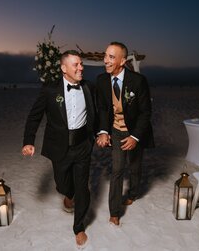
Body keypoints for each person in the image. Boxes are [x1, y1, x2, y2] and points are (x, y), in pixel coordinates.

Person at [22, 50, 96, 248]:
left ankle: (78, 227)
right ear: (64, 69)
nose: (81, 68)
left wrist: (99, 133)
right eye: (76, 65)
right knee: (62, 184)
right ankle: (68, 194)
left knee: (82, 187)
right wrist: (28, 141)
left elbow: (98, 112)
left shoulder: (89, 87)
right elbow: (34, 116)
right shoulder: (50, 90)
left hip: (82, 146)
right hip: (59, 147)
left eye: (81, 64)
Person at [96, 42, 154, 227]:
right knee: (117, 169)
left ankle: (134, 193)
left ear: (122, 61)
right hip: (116, 130)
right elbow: (104, 109)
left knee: (135, 166)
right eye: (106, 55)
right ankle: (114, 211)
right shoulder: (101, 80)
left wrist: (135, 137)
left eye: (111, 57)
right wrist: (104, 131)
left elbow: (146, 112)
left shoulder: (138, 81)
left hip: (134, 130)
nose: (106, 60)